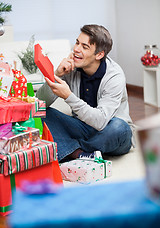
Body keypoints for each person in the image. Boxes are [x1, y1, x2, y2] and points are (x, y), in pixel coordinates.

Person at [36, 24, 135, 162]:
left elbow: (100, 122)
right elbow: (39, 102)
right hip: (81, 127)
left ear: (99, 54)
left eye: (84, 46)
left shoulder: (114, 76)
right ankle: (82, 152)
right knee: (42, 113)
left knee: (119, 128)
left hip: (108, 129)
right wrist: (56, 74)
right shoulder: (71, 68)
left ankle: (72, 150)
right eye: (77, 42)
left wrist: (68, 97)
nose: (76, 49)